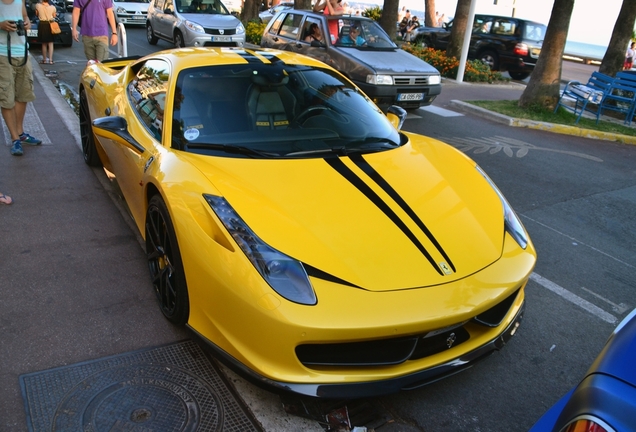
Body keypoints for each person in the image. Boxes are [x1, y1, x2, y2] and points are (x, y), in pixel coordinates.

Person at [0, 0, 43, 156]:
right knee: (6, 96)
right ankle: (14, 138)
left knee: (23, 94)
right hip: (3, 54)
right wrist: (1, 25)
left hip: (22, 52)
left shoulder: (20, 1)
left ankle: (20, 132)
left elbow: (26, 18)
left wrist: (26, 23)